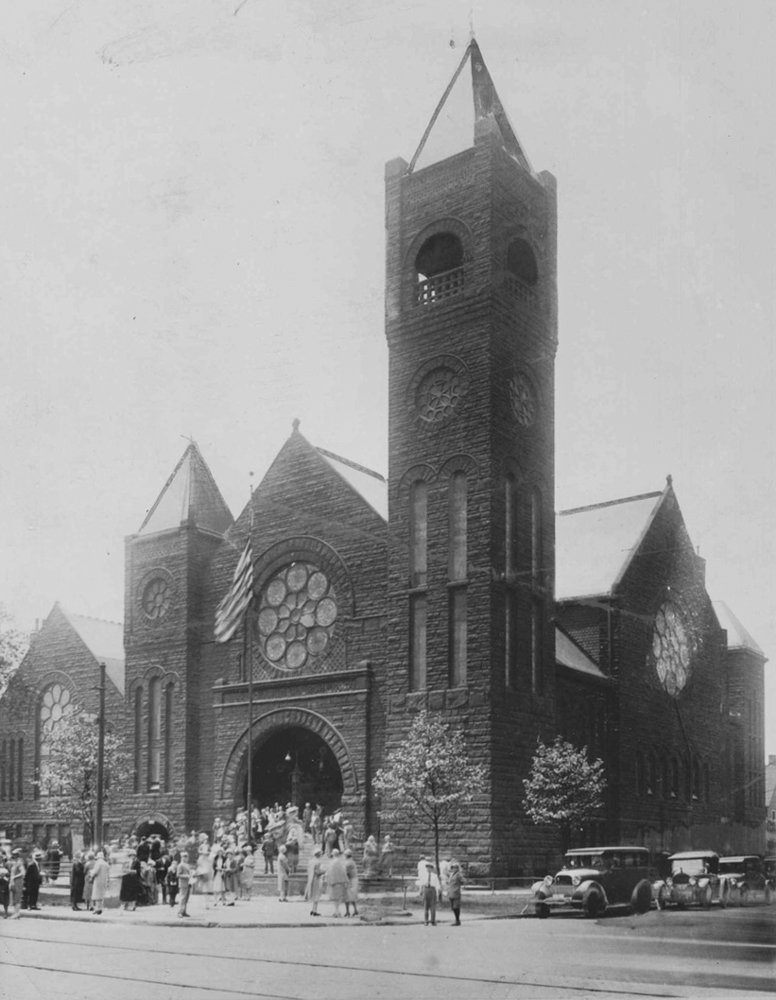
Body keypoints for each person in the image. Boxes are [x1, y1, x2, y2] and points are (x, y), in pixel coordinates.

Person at [326, 849, 350, 917]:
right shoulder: (341, 862)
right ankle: (337, 911)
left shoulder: (332, 862)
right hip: (340, 881)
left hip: (334, 881)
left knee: (335, 898)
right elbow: (344, 871)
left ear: (333, 854)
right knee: (338, 897)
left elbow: (330, 872)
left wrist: (329, 880)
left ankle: (337, 911)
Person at [419, 861, 440, 926]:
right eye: (427, 868)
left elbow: (437, 885)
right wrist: (421, 891)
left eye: (430, 868)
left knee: (432, 906)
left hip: (432, 890)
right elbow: (421, 884)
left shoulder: (434, 876)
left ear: (432, 869)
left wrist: (438, 893)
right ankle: (426, 920)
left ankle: (433, 921)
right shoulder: (423, 875)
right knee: (426, 906)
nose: (429, 869)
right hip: (426, 889)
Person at [305, 846, 325, 916]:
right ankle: (314, 910)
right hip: (316, 880)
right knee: (316, 895)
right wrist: (323, 871)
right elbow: (317, 872)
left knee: (314, 894)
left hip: (311, 879)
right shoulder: (318, 862)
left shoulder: (311, 862)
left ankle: (313, 909)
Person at [447, 861, 464, 925]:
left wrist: (459, 883)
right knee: (453, 907)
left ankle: (457, 920)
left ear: (458, 868)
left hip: (456, 892)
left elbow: (463, 880)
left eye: (456, 867)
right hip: (451, 892)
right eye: (453, 868)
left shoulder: (459, 874)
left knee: (456, 907)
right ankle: (456, 920)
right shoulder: (451, 874)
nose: (454, 869)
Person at [9, 850, 25, 919]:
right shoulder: (14, 863)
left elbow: (23, 872)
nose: (13, 856)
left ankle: (17, 913)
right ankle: (15, 913)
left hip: (18, 881)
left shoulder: (19, 863)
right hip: (14, 881)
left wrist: (15, 877)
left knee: (17, 897)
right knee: (14, 898)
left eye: (15, 855)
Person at [344, 849, 359, 917]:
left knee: (347, 896)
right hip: (353, 879)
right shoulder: (352, 862)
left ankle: (347, 911)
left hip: (350, 880)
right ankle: (355, 910)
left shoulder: (348, 863)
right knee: (352, 896)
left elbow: (346, 872)